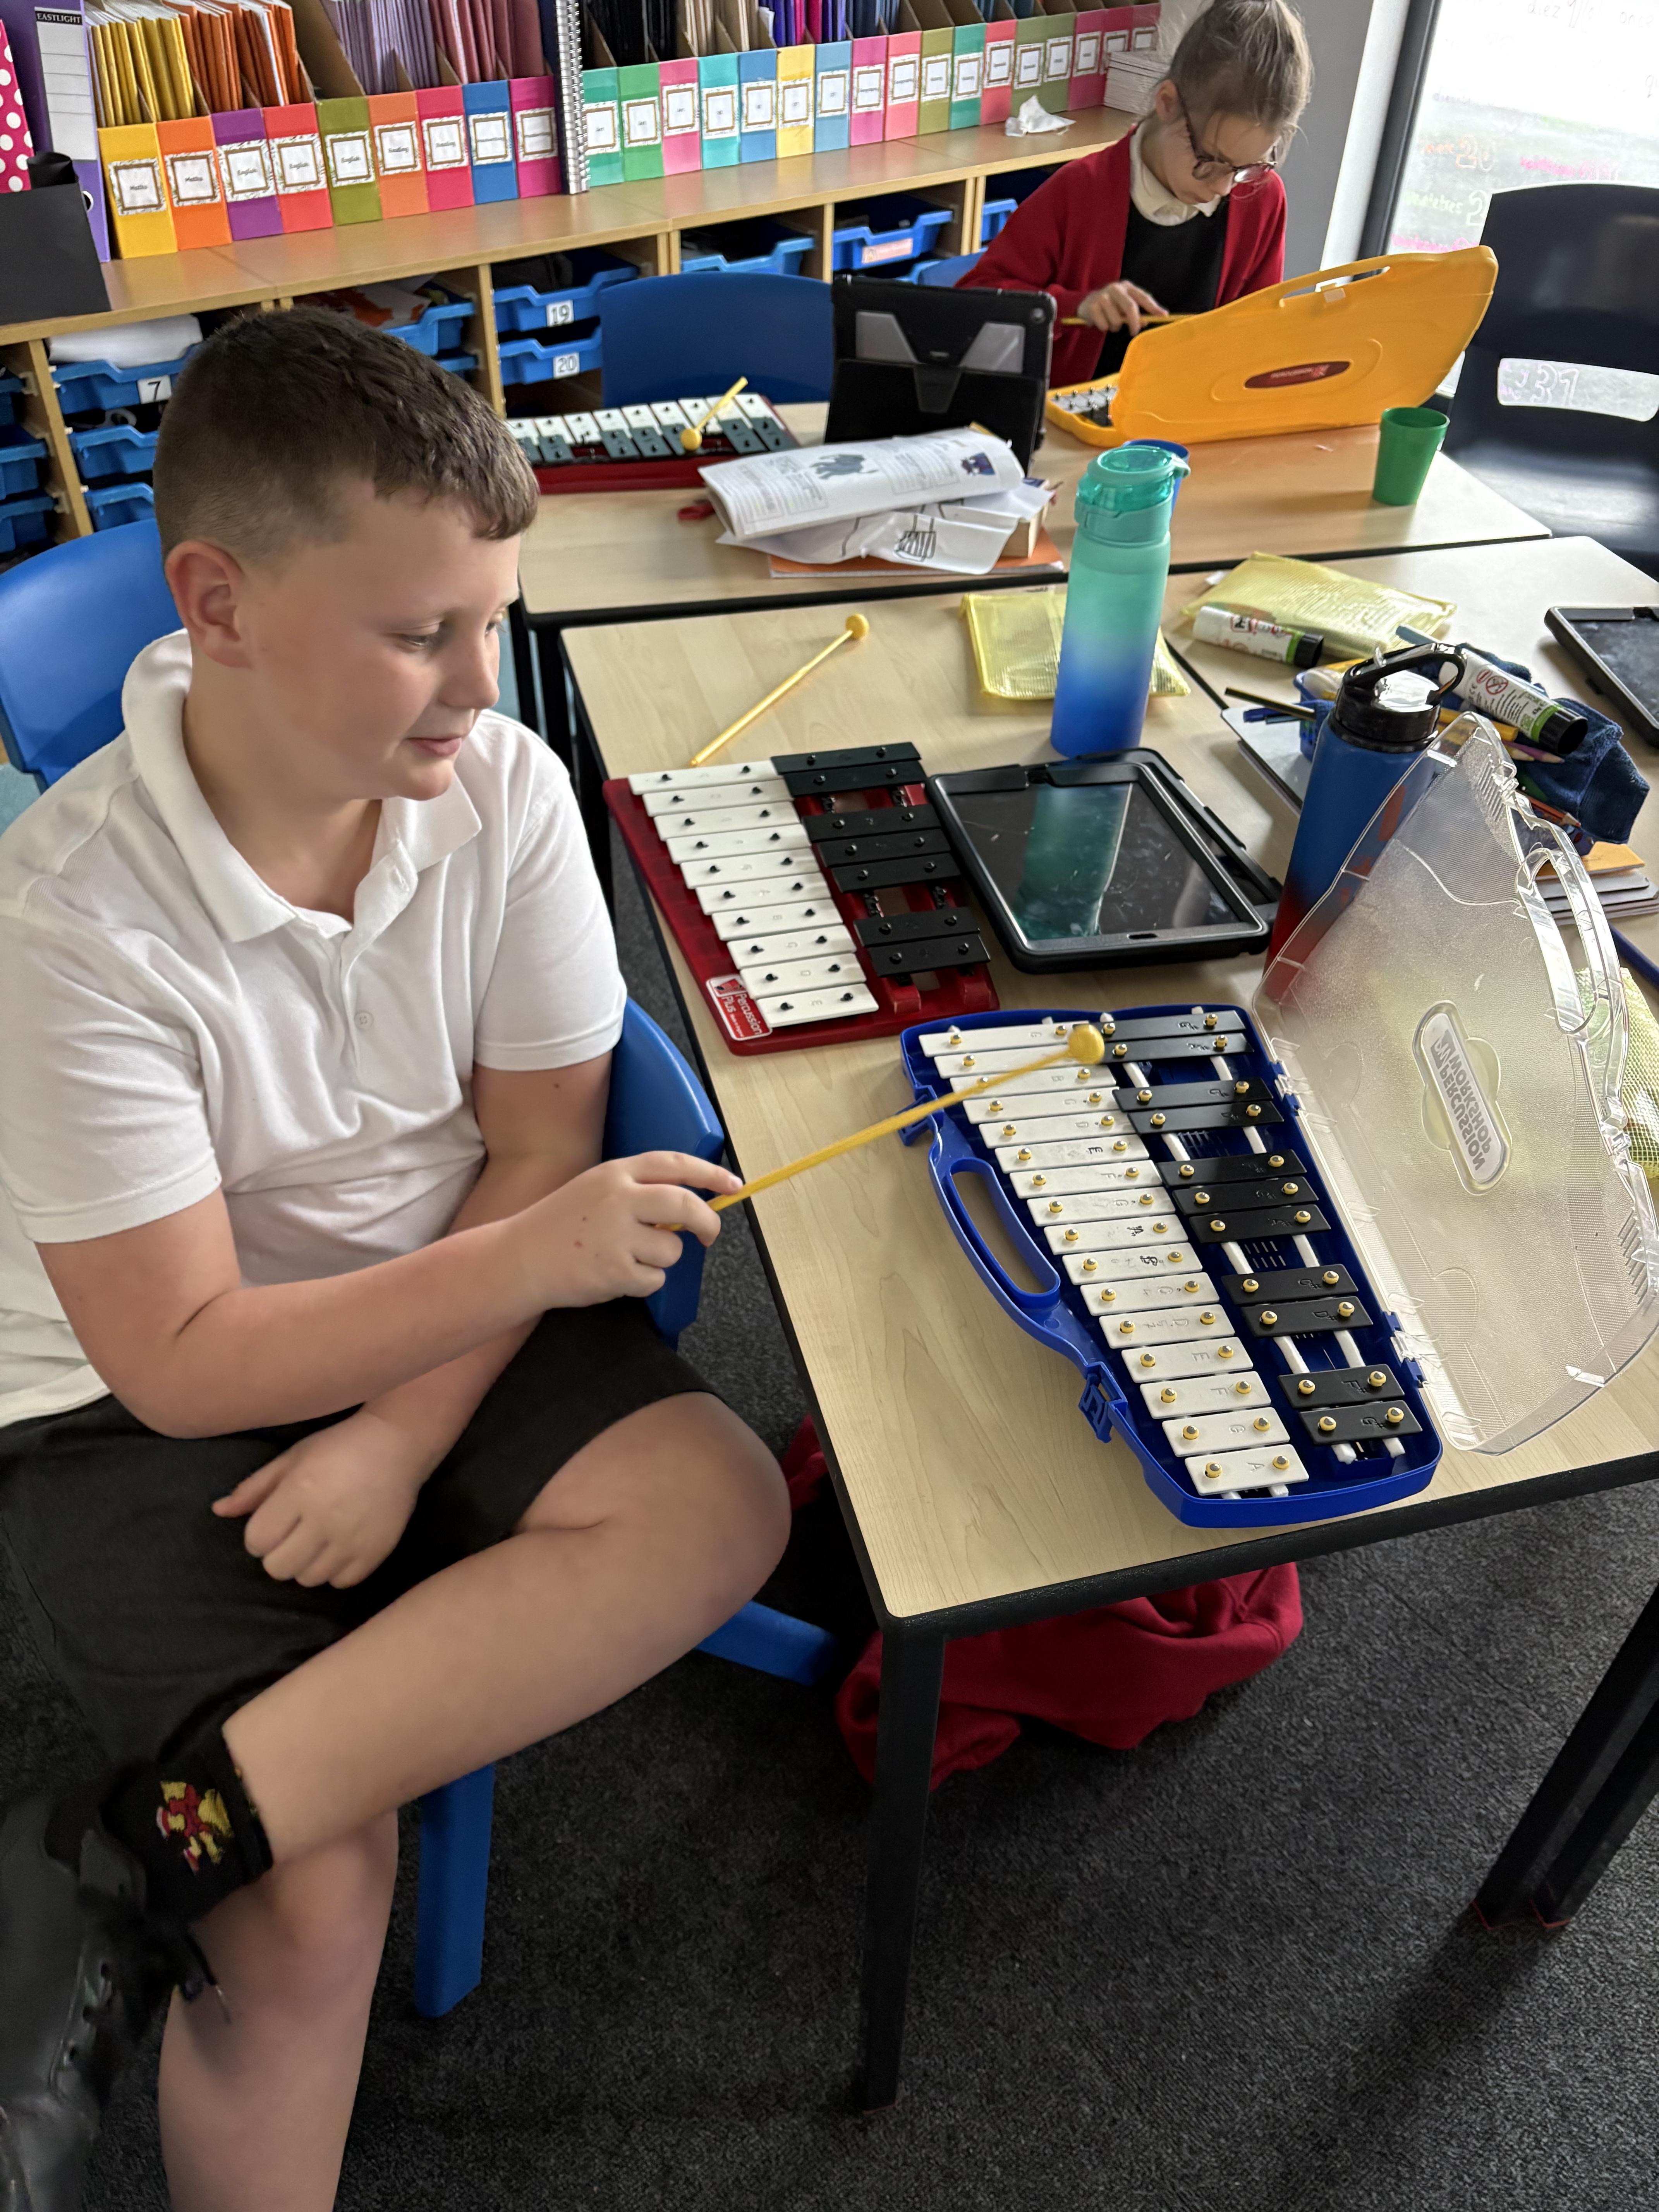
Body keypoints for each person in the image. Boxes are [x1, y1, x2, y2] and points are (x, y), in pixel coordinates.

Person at [0, 307, 790, 2212]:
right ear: (221, 605)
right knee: (310, 1901)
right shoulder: (66, 927)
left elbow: (532, 1145)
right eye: (421, 631)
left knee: (720, 1499)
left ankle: (141, 1849)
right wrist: (522, 1272)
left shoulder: (500, 789)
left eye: (493, 620)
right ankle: (214, 1856)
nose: (474, 685)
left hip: (445, 1269)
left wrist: (397, 1437)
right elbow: (184, 1355)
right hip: (120, 1386)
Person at [960, 0, 1314, 389]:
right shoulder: (1080, 191)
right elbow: (972, 306)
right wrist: (1077, 305)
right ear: (1167, 104)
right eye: (1209, 162)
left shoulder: (1260, 197)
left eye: (1247, 167)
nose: (1224, 187)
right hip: (1072, 414)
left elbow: (1255, 335)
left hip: (1189, 409)